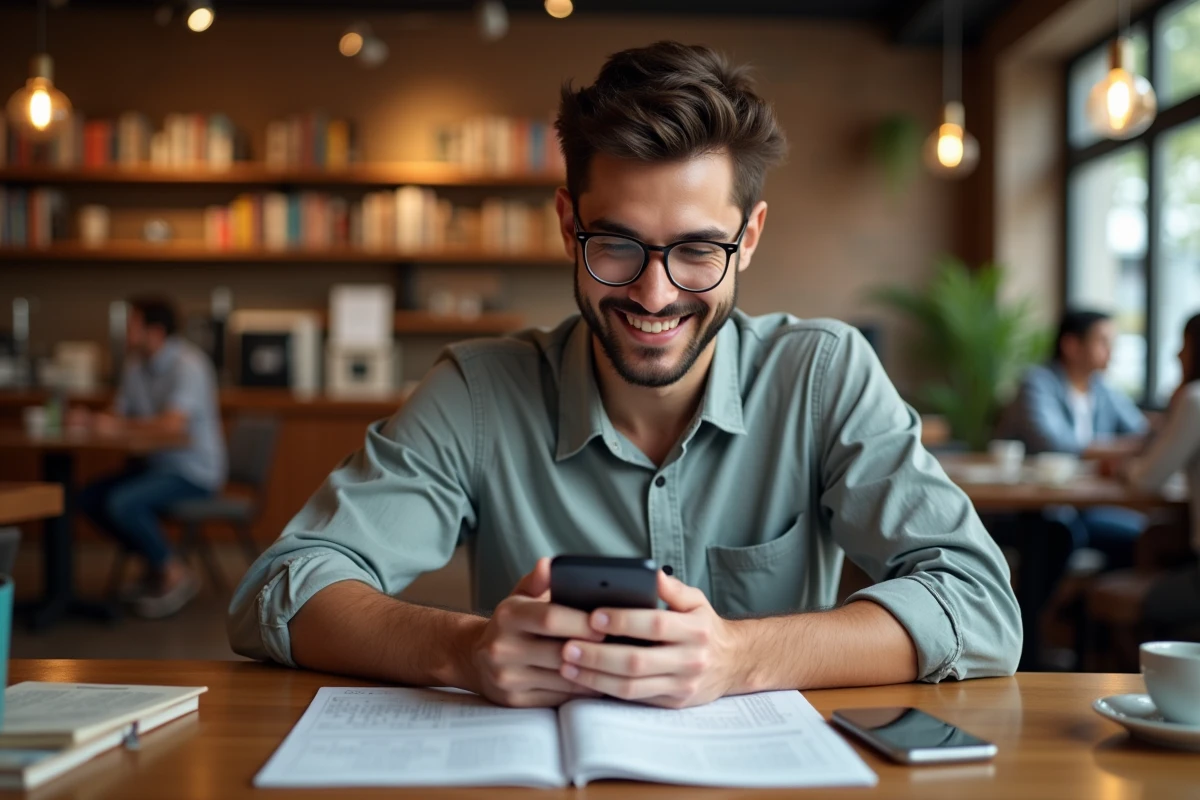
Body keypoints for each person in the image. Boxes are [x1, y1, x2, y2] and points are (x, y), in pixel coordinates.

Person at [229, 41, 1020, 708]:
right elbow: (282, 587)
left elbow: (981, 605)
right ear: (570, 224)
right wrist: (463, 649)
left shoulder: (823, 374)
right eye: (616, 245)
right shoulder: (477, 391)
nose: (654, 294)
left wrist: (738, 656)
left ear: (749, 239)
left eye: (698, 251)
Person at [76, 296, 225, 618]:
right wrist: (90, 420)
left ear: (154, 332)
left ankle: (174, 572)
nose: (127, 332)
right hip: (152, 466)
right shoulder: (135, 364)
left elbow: (173, 424)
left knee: (121, 502)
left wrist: (116, 425)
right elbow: (118, 414)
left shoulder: (189, 364)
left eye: (133, 325)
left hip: (192, 472)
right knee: (86, 498)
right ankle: (156, 562)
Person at [998, 309, 1150, 570]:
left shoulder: (1101, 388)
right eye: (1102, 342)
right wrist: (1123, 449)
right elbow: (1055, 444)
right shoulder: (1037, 383)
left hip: (1084, 505)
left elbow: (1141, 432)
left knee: (1144, 537)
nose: (1111, 352)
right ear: (1071, 345)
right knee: (1057, 534)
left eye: (1112, 343)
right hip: (1032, 507)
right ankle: (1038, 611)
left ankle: (1085, 606)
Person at [1126, 312, 1200, 636]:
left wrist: (1123, 469)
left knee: (1154, 607)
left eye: (1184, 345)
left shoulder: (1196, 399)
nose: (1177, 354)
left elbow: (1148, 479)